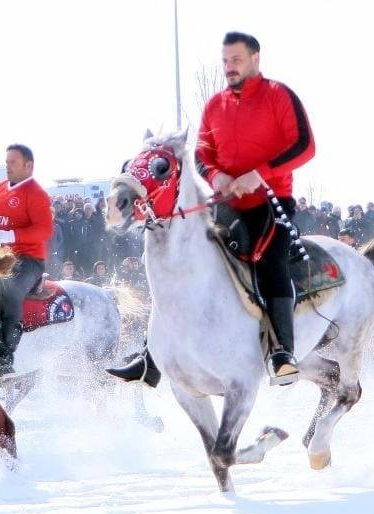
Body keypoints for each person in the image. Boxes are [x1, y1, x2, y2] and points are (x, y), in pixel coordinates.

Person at [109, 31, 316, 386]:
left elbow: (305, 146)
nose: (229, 68)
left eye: (236, 60)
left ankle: (282, 351)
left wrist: (260, 174)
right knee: (178, 264)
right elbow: (203, 156)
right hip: (223, 204)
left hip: (270, 203)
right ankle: (151, 356)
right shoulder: (215, 105)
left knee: (270, 262)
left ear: (255, 59)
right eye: (225, 61)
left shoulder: (279, 96)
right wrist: (217, 176)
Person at [0, 144, 54, 377]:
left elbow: (45, 229)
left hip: (27, 258)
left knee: (8, 291)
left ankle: (6, 354)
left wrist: (14, 235)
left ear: (28, 165)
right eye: (6, 161)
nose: (7, 167)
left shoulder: (37, 194)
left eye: (12, 162)